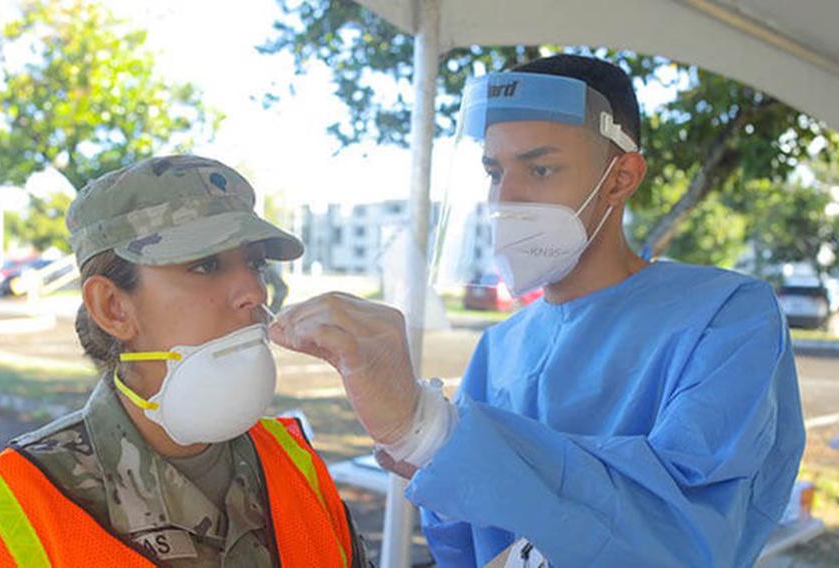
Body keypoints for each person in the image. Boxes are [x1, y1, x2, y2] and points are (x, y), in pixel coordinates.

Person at [270, 55, 805, 567]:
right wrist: (428, 460)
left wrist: (435, 433)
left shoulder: (726, 317)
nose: (507, 196)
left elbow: (686, 536)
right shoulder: (500, 346)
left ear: (620, 178)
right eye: (493, 170)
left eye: (541, 169)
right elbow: (468, 546)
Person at [0, 156, 368, 567]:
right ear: (113, 307)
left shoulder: (296, 461)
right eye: (206, 265)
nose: (254, 291)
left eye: (255, 262)